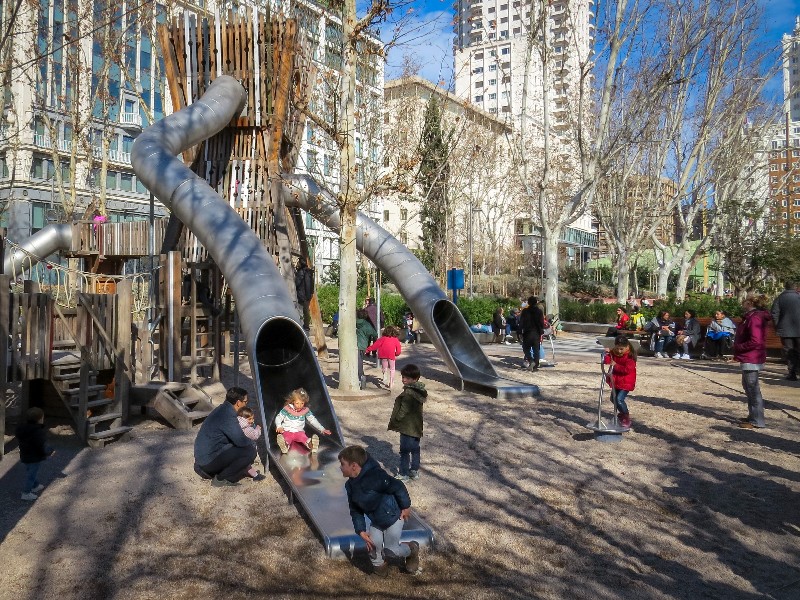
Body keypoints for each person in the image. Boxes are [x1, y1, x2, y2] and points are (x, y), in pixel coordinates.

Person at [338, 445, 420, 576]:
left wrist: (405, 506)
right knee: (372, 548)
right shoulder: (350, 485)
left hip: (394, 517)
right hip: (376, 521)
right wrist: (360, 530)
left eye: (342, 464)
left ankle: (411, 549)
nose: (340, 467)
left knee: (391, 551)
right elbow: (355, 509)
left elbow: (398, 486)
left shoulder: (376, 476)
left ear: (353, 466)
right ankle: (380, 570)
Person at [193, 386, 258, 486]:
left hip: (203, 458)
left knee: (241, 447)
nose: (246, 403)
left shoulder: (222, 409)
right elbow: (241, 441)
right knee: (250, 451)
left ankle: (226, 471)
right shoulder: (228, 416)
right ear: (238, 402)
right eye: (245, 401)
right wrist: (252, 441)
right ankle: (221, 479)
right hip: (207, 463)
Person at [734, 295, 772, 429]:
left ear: (749, 303)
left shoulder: (754, 317)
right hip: (750, 356)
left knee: (752, 388)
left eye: (744, 301)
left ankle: (757, 419)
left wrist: (739, 347)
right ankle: (753, 416)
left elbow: (755, 340)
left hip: (751, 357)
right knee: (748, 386)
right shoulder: (753, 316)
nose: (742, 303)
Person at [387, 363, 427, 482]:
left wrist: (397, 419)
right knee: (415, 449)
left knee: (404, 451)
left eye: (407, 378)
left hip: (407, 427)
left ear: (415, 379)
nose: (404, 380)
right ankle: (414, 471)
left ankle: (404, 473)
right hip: (416, 426)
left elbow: (404, 409)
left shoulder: (409, 393)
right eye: (403, 377)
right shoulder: (419, 391)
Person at [274, 387, 332, 453]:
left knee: (304, 439)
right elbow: (279, 417)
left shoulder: (305, 410)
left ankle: (312, 445)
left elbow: (312, 420)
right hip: (287, 430)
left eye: (302, 403)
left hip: (299, 432)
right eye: (297, 403)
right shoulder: (287, 409)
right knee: (287, 439)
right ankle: (285, 446)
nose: (299, 406)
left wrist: (322, 429)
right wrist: (279, 426)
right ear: (293, 401)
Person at [16, 407, 54, 501]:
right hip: (34, 457)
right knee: (31, 475)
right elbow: (41, 446)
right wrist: (49, 451)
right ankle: (26, 493)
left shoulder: (22, 429)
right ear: (40, 419)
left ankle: (36, 485)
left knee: (31, 471)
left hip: (25, 455)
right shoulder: (38, 432)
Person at [604, 335, 637, 428]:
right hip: (617, 381)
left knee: (619, 399)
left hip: (626, 382)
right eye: (617, 348)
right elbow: (607, 361)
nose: (619, 351)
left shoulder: (630, 357)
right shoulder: (614, 353)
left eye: (621, 349)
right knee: (613, 399)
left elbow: (627, 370)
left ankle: (626, 416)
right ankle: (622, 414)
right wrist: (607, 354)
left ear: (627, 347)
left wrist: (615, 365)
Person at [770, 281, 800, 381]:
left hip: (785, 329)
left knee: (789, 351)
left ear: (785, 287)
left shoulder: (780, 298)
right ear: (795, 287)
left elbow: (774, 313)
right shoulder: (798, 297)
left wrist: (777, 326)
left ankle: (792, 374)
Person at [236, 406, 266, 481]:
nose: (252, 421)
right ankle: (256, 476)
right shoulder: (247, 429)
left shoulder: (237, 424)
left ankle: (248, 472)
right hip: (245, 449)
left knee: (244, 464)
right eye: (249, 419)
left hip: (238, 447)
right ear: (243, 419)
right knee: (246, 464)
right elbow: (255, 436)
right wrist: (258, 429)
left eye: (253, 418)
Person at [519, 295, 545, 370]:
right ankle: (536, 365)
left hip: (527, 332)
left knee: (525, 348)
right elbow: (541, 322)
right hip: (536, 333)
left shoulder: (525, 311)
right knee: (536, 349)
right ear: (536, 302)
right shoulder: (539, 311)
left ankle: (531, 360)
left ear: (529, 303)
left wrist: (519, 331)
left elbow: (521, 322)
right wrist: (541, 330)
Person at [356, 309, 378, 389]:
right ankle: (361, 379)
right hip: (362, 346)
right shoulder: (367, 324)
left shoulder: (353, 322)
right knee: (359, 362)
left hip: (352, 345)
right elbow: (375, 334)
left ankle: (359, 378)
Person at [294, 258, 315, 330]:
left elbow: (297, 283)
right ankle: (306, 326)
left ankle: (302, 325)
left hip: (302, 295)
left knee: (300, 311)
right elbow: (312, 284)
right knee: (306, 311)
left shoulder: (301, 272)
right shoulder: (309, 272)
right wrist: (311, 293)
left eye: (298, 263)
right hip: (308, 295)